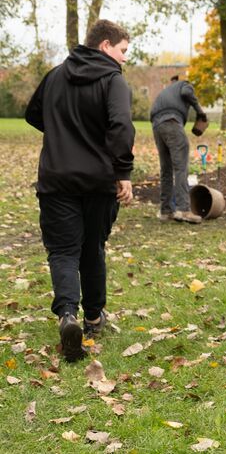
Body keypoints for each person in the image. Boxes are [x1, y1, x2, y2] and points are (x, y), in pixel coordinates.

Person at [25, 19, 135, 362]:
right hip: (99, 180)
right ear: (105, 46)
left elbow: (32, 113)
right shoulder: (113, 80)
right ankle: (93, 317)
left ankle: (68, 315)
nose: (125, 58)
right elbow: (122, 126)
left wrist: (62, 134)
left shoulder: (55, 74)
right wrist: (122, 172)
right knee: (92, 247)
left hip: (56, 178)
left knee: (62, 251)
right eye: (123, 51)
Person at [150, 74, 207, 223]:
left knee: (166, 169)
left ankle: (166, 211)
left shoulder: (166, 91)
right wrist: (200, 111)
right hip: (172, 122)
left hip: (157, 125)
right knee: (181, 166)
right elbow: (187, 93)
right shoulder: (185, 84)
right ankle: (183, 210)